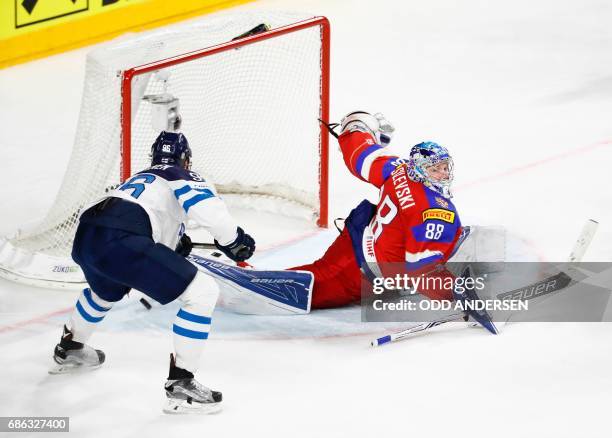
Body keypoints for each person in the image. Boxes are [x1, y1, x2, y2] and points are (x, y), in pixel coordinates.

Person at [50, 131, 255, 414]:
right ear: (186, 159)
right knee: (202, 292)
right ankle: (182, 385)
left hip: (87, 233)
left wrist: (171, 247)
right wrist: (234, 240)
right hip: (123, 236)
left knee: (104, 292)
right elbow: (207, 211)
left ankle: (70, 349)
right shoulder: (179, 174)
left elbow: (150, 220)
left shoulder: (139, 178)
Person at [291, 111, 464, 308]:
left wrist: (356, 127)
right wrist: (456, 294)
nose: (443, 174)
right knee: (314, 285)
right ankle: (255, 283)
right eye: (434, 169)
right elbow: (422, 270)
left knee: (321, 271)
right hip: (361, 269)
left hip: (361, 234)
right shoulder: (432, 212)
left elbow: (362, 157)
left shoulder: (399, 168)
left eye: (444, 167)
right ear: (419, 170)